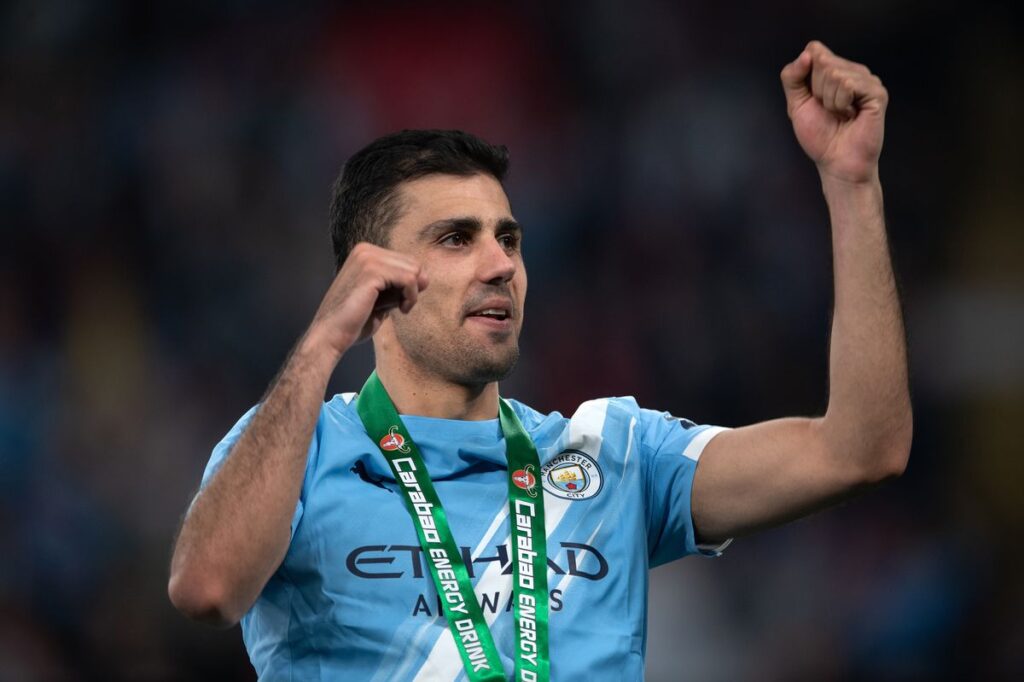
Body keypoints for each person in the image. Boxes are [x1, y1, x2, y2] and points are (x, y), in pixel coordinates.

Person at [168, 41, 911, 681]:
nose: (501, 263)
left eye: (510, 238)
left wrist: (852, 186)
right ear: (374, 277)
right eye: (457, 238)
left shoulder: (614, 455)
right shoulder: (300, 447)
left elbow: (860, 450)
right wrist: (321, 343)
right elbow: (206, 589)